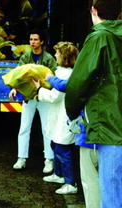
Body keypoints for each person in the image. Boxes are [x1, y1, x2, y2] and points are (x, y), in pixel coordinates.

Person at [65, 0, 122, 207]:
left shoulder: (99, 37)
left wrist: (71, 113)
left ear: (93, 10)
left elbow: (78, 84)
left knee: (111, 193)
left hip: (109, 126)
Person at [45, 74, 100, 207]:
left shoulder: (90, 67)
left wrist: (49, 78)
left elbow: (68, 85)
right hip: (111, 135)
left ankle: (71, 184)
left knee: (90, 181)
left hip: (92, 135)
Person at [9, 29, 57, 173]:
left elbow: (53, 76)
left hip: (43, 97)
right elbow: (18, 75)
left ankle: (49, 160)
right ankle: (21, 159)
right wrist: (14, 88)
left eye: (35, 39)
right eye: (31, 40)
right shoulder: (25, 57)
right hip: (29, 97)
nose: (33, 42)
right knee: (24, 128)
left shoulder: (49, 58)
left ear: (42, 42)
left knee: (46, 129)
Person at [33, 41, 78, 194]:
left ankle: (71, 183)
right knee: (55, 145)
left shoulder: (64, 75)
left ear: (63, 56)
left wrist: (39, 90)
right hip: (58, 116)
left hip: (63, 117)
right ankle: (59, 175)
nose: (55, 55)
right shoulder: (61, 72)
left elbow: (54, 97)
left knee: (63, 150)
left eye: (58, 53)